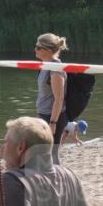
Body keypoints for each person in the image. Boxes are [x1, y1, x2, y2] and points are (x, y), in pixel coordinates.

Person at [33, 33, 68, 164]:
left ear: (47, 50)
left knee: (51, 154)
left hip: (53, 117)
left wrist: (53, 123)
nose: (35, 50)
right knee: (45, 153)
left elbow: (59, 98)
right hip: (45, 114)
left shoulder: (55, 68)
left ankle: (58, 180)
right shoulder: (45, 65)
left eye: (37, 47)